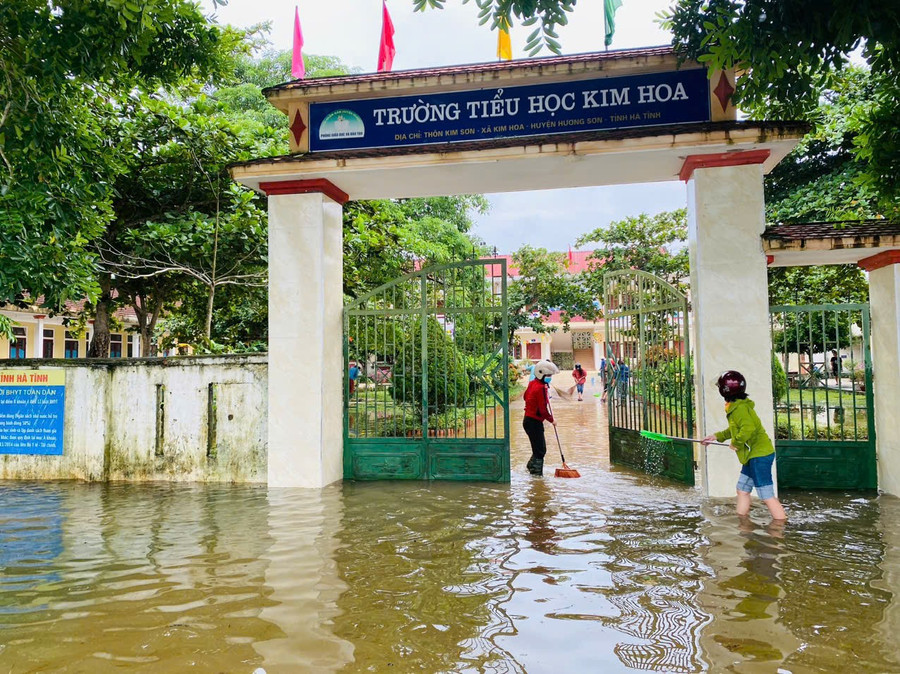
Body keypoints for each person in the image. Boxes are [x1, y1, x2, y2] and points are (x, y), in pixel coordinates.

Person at [701, 370, 786, 521]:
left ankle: (781, 527)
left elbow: (748, 429)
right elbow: (735, 429)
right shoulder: (736, 406)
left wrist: (736, 443)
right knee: (742, 490)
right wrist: (715, 437)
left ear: (724, 390)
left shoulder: (739, 408)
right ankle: (742, 522)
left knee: (766, 495)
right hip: (751, 456)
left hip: (759, 455)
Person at [523, 359, 560, 476]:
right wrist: (552, 420)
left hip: (528, 420)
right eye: (548, 375)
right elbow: (543, 410)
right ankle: (537, 476)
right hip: (534, 422)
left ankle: (531, 467)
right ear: (541, 374)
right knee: (540, 450)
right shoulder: (540, 388)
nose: (550, 377)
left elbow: (525, 397)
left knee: (538, 448)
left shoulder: (533, 383)